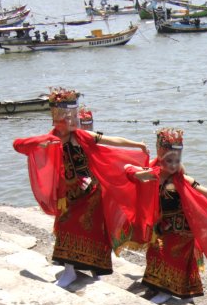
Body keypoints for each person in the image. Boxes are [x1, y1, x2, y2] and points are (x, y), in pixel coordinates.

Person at [13, 87, 149, 288]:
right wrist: (40, 143)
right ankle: (69, 271)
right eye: (69, 117)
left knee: (95, 231)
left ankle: (96, 268)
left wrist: (136, 144)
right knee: (66, 226)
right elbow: (18, 144)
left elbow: (109, 141)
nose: (73, 120)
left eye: (74, 116)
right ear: (58, 117)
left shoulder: (81, 136)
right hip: (67, 194)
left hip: (91, 193)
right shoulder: (53, 138)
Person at [126, 128, 207, 305]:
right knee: (154, 252)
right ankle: (158, 286)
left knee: (169, 254)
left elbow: (206, 193)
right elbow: (133, 173)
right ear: (161, 158)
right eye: (169, 160)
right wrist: (136, 171)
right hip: (164, 225)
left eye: (176, 161)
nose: (173, 165)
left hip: (182, 229)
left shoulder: (181, 180)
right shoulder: (155, 175)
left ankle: (167, 290)